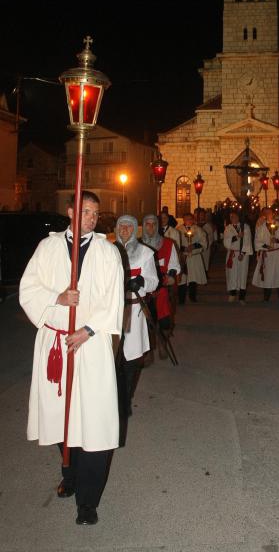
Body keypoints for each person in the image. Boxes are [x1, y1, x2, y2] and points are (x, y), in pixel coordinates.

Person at [19, 191, 124, 526]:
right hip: (56, 343)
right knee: (60, 417)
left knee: (94, 418)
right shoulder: (47, 248)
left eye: (95, 213)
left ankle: (88, 502)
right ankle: (71, 472)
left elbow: (114, 298)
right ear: (70, 211)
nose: (90, 218)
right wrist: (58, 297)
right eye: (85, 212)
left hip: (90, 345)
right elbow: (27, 288)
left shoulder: (108, 253)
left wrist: (89, 330)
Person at [114, 215, 158, 442]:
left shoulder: (145, 253)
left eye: (129, 226)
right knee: (113, 359)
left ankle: (124, 402)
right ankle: (113, 401)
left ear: (134, 229)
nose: (124, 229)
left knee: (130, 360)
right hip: (111, 313)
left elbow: (153, 281)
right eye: (121, 225)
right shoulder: (108, 251)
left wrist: (141, 282)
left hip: (133, 312)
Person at [141, 214, 180, 358]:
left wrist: (169, 276)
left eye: (153, 224)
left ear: (157, 226)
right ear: (143, 226)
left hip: (162, 289)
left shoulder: (168, 244)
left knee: (164, 321)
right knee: (145, 323)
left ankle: (163, 342)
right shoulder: (138, 245)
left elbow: (174, 265)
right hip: (144, 290)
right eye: (147, 224)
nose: (150, 227)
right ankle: (149, 349)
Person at [252, 207, 279, 302]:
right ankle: (266, 297)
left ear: (273, 213)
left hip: (276, 255)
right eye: (266, 213)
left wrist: (276, 240)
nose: (268, 214)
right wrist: (266, 246)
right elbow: (257, 240)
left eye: (269, 212)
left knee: (278, 275)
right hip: (267, 255)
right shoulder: (261, 227)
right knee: (267, 276)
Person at [176, 212, 208, 303]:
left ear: (193, 219)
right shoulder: (178, 230)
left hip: (194, 257)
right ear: (183, 220)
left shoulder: (198, 229)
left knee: (193, 278)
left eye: (190, 219)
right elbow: (175, 243)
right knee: (182, 278)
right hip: (183, 257)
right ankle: (181, 298)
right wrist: (184, 248)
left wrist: (194, 246)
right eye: (186, 219)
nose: (188, 221)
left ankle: (192, 296)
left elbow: (204, 242)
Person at [223, 210, 253, 302]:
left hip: (243, 254)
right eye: (231, 217)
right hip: (232, 253)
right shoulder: (228, 228)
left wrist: (243, 253)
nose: (233, 219)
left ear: (238, 217)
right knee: (232, 274)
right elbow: (226, 241)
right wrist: (237, 237)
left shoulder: (245, 227)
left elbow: (247, 241)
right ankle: (232, 293)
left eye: (235, 217)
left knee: (242, 273)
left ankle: (242, 296)